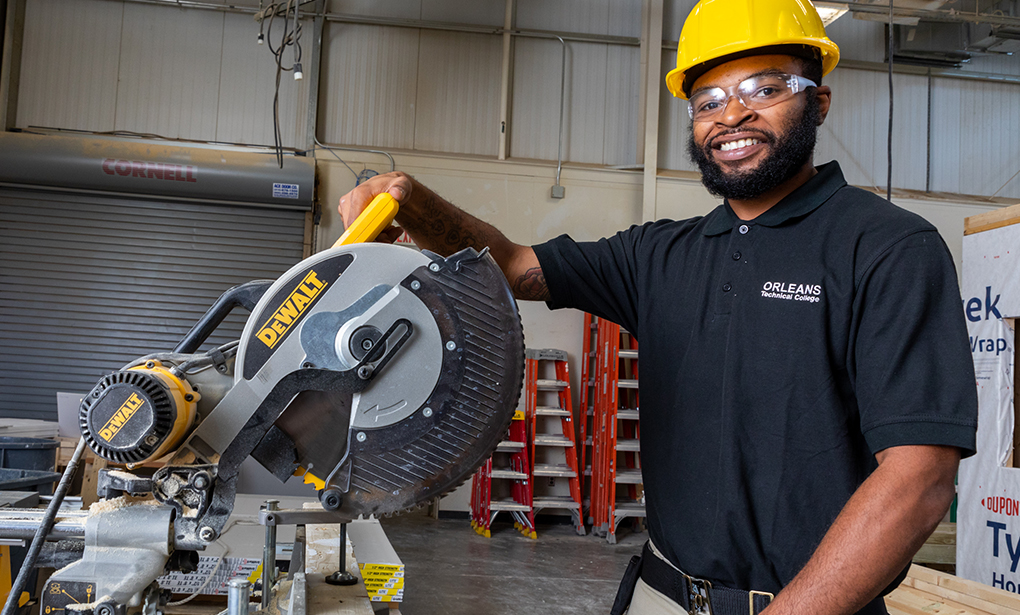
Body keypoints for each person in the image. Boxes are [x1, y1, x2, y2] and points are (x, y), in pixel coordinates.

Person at [338, 1, 978, 613]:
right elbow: (511, 266)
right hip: (661, 593)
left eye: (763, 88)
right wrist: (411, 200)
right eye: (708, 101)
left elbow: (918, 479)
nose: (731, 116)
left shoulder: (888, 248)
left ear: (819, 100)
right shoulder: (660, 256)